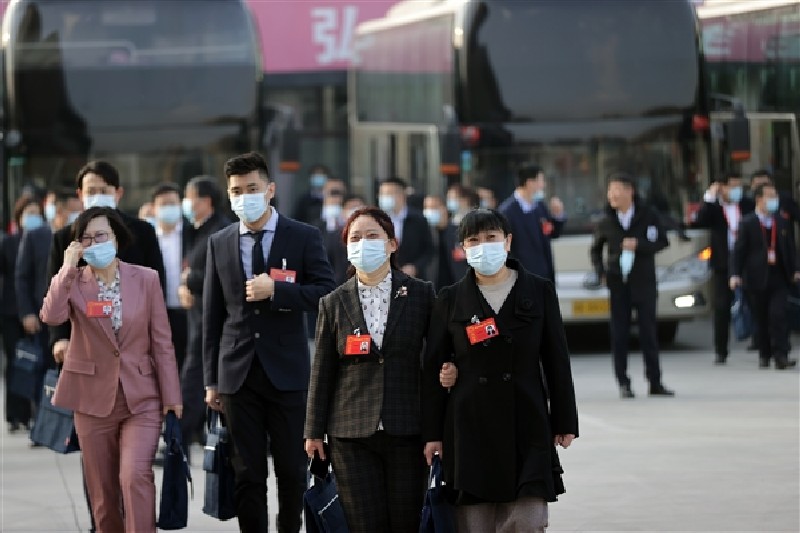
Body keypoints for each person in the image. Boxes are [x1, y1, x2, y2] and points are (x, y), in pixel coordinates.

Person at [422, 209, 578, 532]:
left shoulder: (538, 290)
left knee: (529, 521)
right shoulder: (450, 299)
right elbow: (434, 366)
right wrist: (433, 434)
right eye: (473, 240)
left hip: (527, 420)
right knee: (474, 524)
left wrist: (564, 420)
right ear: (463, 249)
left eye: (491, 237)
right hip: (469, 426)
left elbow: (556, 360)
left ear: (507, 242)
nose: (483, 246)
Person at [203, 152, 335, 532]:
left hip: (288, 373)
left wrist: (278, 290)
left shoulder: (303, 236)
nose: (245, 197)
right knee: (247, 474)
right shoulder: (219, 242)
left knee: (292, 471)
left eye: (252, 188)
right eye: (237, 191)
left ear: (270, 190)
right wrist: (211, 380)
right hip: (237, 374)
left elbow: (326, 293)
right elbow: (212, 316)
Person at [39, 207, 182, 533]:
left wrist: (172, 396)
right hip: (91, 400)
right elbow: (51, 316)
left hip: (141, 397)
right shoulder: (74, 281)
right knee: (103, 493)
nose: (94, 243)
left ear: (117, 238)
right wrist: (67, 267)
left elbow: (162, 341)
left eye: (101, 235)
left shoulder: (146, 279)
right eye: (86, 238)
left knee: (134, 476)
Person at [305, 206, 439, 532]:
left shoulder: (421, 294)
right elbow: (322, 370)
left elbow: (434, 363)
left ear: (392, 244)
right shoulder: (333, 302)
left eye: (372, 236)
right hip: (350, 432)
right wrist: (313, 431)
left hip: (407, 428)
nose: (363, 243)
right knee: (364, 525)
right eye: (355, 238)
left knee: (407, 523)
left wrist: (436, 432)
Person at [589, 173, 674, 398]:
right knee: (619, 335)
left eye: (617, 190)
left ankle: (655, 382)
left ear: (630, 191)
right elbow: (595, 250)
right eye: (610, 191)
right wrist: (601, 273)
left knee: (649, 333)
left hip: (644, 282)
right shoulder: (606, 220)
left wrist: (639, 245)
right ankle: (623, 383)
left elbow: (662, 241)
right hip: (618, 284)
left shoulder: (648, 215)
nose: (612, 195)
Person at [177, 176, 230, 458]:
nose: (186, 203)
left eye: (190, 197)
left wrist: (189, 281)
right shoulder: (196, 230)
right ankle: (184, 438)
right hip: (197, 318)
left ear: (205, 201)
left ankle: (180, 439)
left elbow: (217, 274)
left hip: (213, 322)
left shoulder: (219, 231)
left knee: (194, 379)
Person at [730, 182, 799, 370]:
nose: (773, 200)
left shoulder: (781, 221)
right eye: (769, 196)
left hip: (779, 276)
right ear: (759, 199)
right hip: (756, 277)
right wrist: (735, 274)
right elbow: (739, 251)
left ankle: (781, 354)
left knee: (778, 315)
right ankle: (765, 353)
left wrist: (795, 269)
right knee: (761, 318)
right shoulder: (748, 223)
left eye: (774, 196)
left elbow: (790, 248)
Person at [691, 172, 754, 364]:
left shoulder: (746, 205)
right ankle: (721, 350)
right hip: (723, 263)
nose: (736, 190)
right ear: (722, 187)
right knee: (722, 307)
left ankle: (762, 344)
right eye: (732, 186)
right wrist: (709, 197)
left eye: (739, 186)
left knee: (756, 302)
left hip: (747, 262)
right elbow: (699, 221)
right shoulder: (714, 209)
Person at [0, 197, 41, 432]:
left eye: (37, 213)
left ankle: (30, 414)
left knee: (34, 363)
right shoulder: (8, 243)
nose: (33, 217)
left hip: (36, 311)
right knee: (15, 363)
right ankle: (14, 414)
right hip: (10, 312)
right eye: (29, 213)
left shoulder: (43, 240)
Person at [16, 198, 53, 411]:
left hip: (74, 318)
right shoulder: (35, 236)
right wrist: (27, 312)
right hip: (42, 316)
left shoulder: (82, 234)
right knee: (42, 372)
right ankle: (42, 420)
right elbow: (22, 277)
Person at [151, 183, 193, 372]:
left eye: (173, 203)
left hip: (188, 311)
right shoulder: (149, 238)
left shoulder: (192, 234)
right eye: (164, 204)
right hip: (160, 312)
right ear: (154, 208)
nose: (169, 208)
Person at [499, 165, 565, 283]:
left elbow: (551, 233)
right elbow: (504, 250)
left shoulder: (540, 207)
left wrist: (558, 216)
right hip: (521, 279)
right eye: (541, 181)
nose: (543, 185)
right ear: (530, 183)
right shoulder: (507, 211)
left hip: (544, 277)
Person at [378, 177, 434, 279]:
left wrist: (415, 267)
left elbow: (428, 250)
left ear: (401, 195)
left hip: (412, 279)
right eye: (382, 194)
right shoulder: (377, 220)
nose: (384, 198)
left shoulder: (418, 220)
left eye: (388, 194)